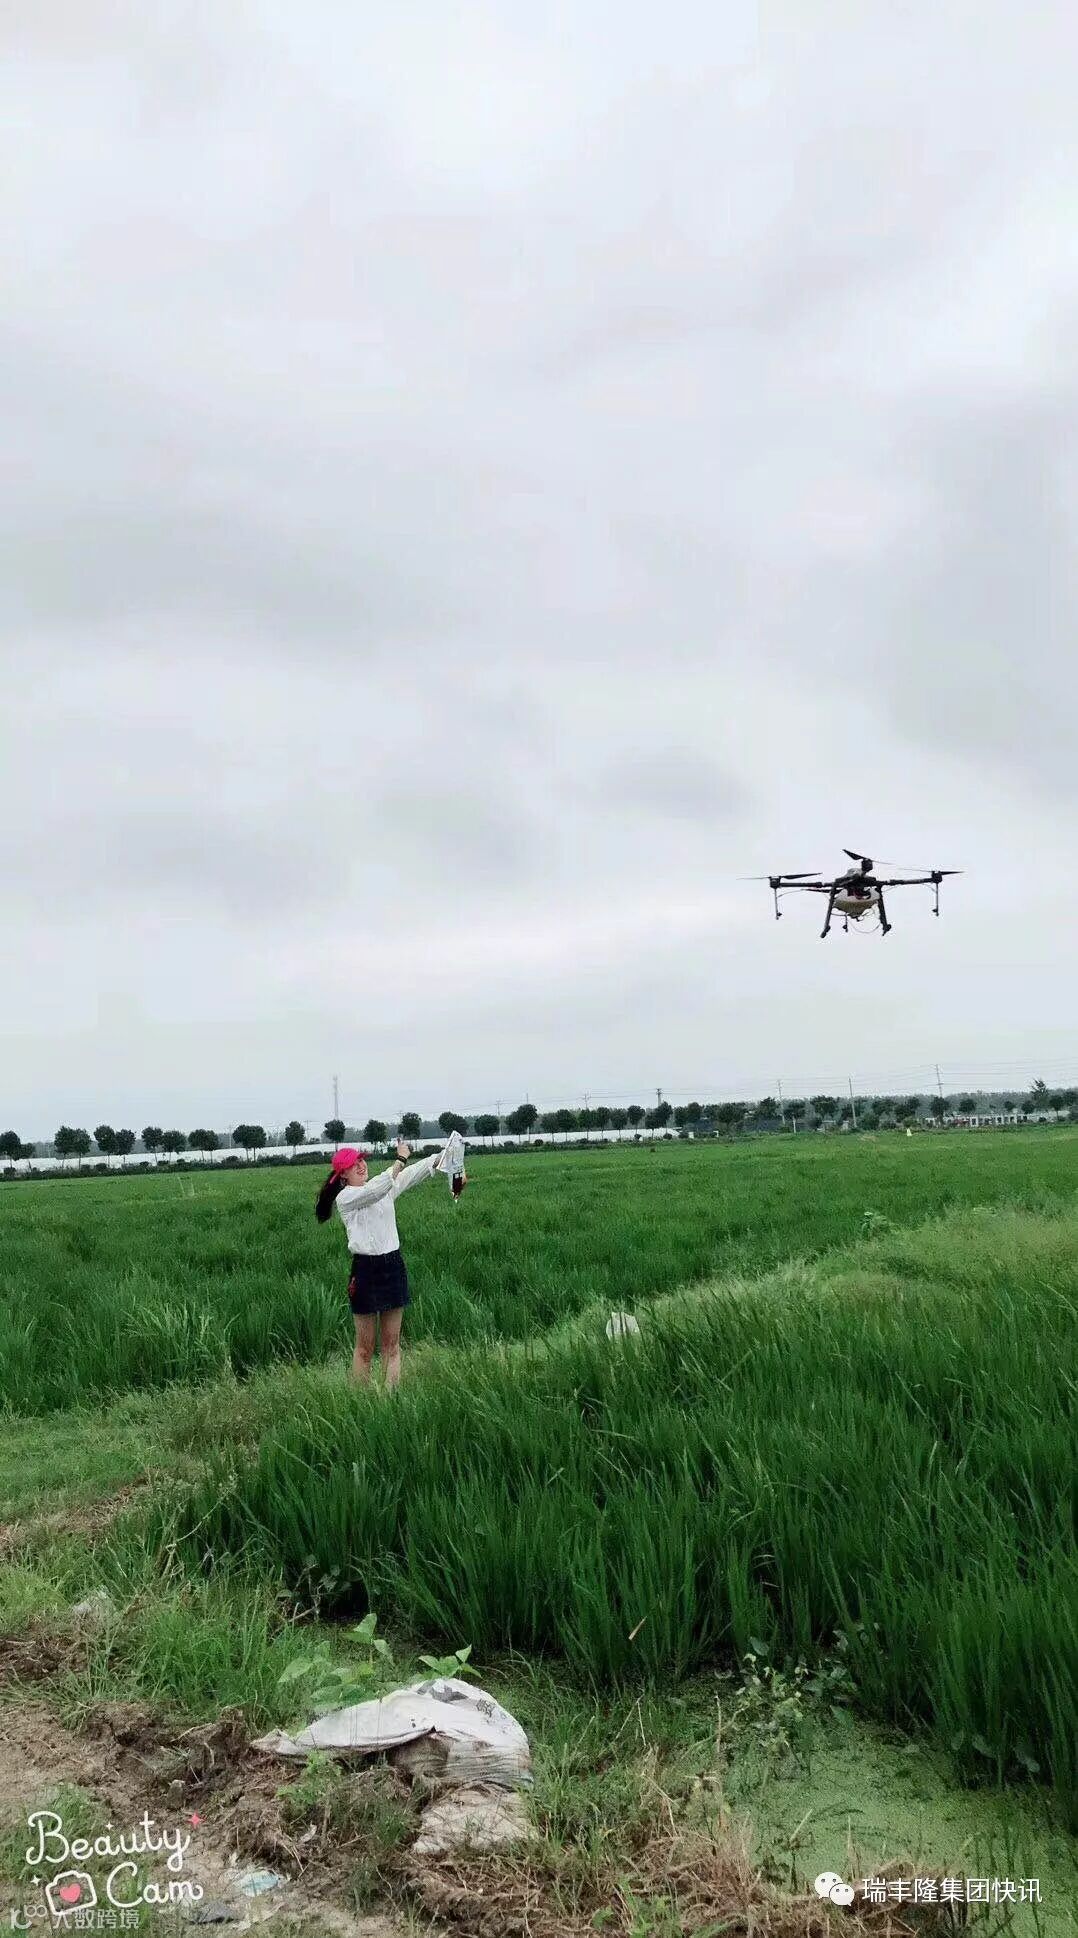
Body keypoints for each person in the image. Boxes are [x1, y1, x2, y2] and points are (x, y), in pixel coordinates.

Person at [315, 1137, 445, 1387]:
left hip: (392, 1267)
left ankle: (390, 1401)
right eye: (353, 1164)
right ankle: (360, 1401)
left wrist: (442, 1156)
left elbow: (410, 1174)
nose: (361, 1165)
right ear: (343, 1175)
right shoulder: (346, 1198)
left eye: (361, 1160)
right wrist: (400, 1159)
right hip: (365, 1271)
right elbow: (374, 1191)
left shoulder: (384, 1187)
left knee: (391, 1345)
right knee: (365, 1348)